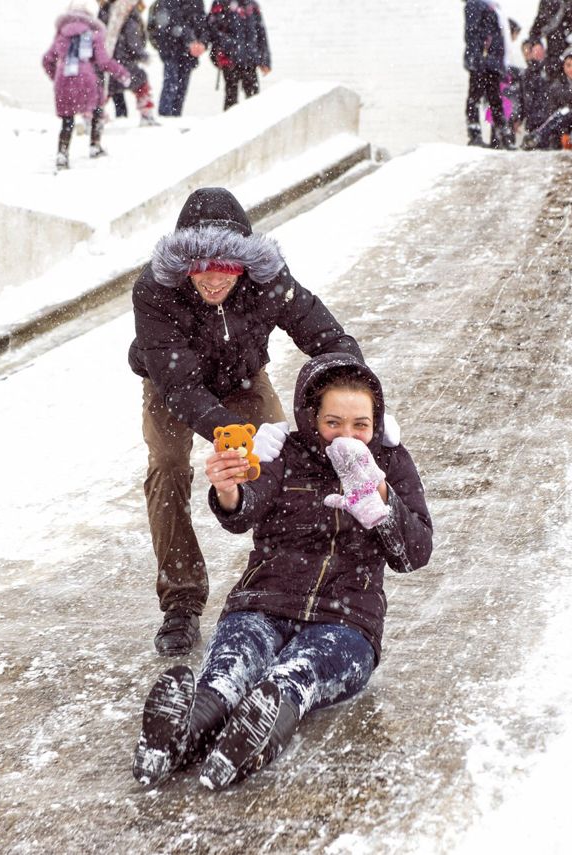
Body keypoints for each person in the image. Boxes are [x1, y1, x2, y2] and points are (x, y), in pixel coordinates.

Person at [132, 352, 434, 790]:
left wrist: (383, 503)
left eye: (359, 426)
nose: (345, 436)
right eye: (333, 423)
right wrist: (229, 489)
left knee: (291, 678)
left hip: (346, 622)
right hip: (263, 603)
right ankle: (176, 737)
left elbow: (414, 553)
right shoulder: (282, 452)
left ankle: (249, 741)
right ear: (312, 417)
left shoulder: (391, 463)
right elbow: (241, 513)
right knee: (227, 674)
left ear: (376, 424)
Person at [130, 187, 380, 657]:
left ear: (244, 263)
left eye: (225, 267)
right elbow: (181, 388)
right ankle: (181, 603)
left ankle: (284, 582)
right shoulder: (154, 290)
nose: (212, 279)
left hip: (243, 376)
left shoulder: (268, 280)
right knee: (167, 465)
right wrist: (234, 434)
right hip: (171, 385)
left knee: (287, 462)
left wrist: (355, 395)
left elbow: (326, 336)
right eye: (200, 267)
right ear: (184, 263)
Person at [42, 1, 132, 170]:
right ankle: (95, 145)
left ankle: (62, 154)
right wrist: (122, 73)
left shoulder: (61, 34)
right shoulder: (93, 33)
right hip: (86, 78)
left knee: (67, 120)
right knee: (97, 109)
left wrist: (55, 76)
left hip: (64, 79)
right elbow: (104, 61)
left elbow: (47, 60)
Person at [464, 0, 517, 148]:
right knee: (476, 97)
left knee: (495, 99)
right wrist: (478, 57)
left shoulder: (491, 5)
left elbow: (497, 35)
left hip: (492, 61)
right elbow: (472, 32)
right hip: (483, 60)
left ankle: (503, 136)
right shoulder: (476, 4)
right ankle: (475, 134)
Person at [99, 0, 160, 126]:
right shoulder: (128, 13)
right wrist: (142, 55)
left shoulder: (105, 11)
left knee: (103, 90)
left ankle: (96, 116)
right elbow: (133, 40)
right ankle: (146, 115)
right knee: (142, 84)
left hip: (107, 62)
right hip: (125, 63)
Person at [207, 0, 272, 111]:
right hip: (229, 61)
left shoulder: (252, 6)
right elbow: (212, 30)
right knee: (231, 100)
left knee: (254, 99)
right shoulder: (220, 4)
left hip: (250, 61)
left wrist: (265, 60)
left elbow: (261, 34)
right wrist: (229, 47)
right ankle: (229, 127)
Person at [147, 0, 208, 117]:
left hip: (188, 53)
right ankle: (166, 118)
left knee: (181, 89)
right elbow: (172, 22)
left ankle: (175, 118)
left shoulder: (197, 3)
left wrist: (202, 43)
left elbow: (202, 23)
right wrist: (190, 40)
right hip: (171, 49)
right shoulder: (166, 3)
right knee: (171, 85)